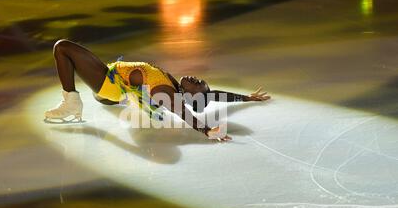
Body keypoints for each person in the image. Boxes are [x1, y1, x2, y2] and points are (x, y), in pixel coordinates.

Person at [44, 39, 270, 141]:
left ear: (191, 95)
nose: (196, 78)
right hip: (112, 92)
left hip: (108, 82)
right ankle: (120, 99)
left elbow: (185, 114)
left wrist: (207, 131)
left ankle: (71, 101)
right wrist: (246, 97)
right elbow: (213, 95)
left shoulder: (170, 95)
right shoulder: (174, 87)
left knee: (62, 48)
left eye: (199, 83)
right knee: (103, 98)